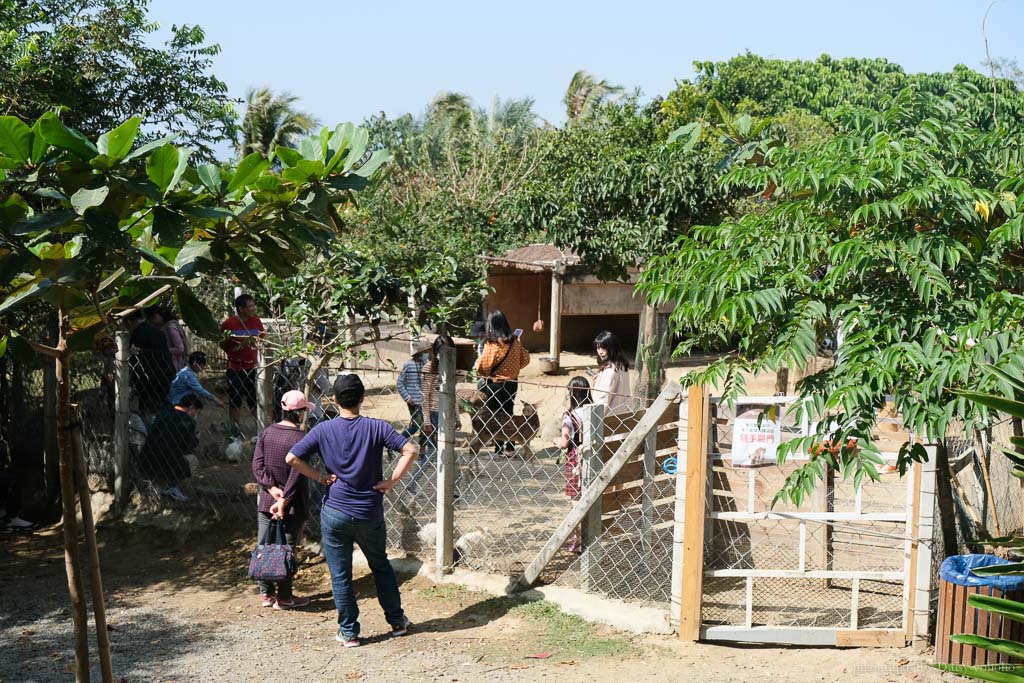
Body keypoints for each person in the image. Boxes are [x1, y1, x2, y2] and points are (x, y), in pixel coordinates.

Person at [277, 373, 418, 648]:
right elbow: (410, 450)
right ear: (363, 398)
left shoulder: (322, 430)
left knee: (341, 574)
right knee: (380, 566)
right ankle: (397, 621)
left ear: (334, 399)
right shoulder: (377, 427)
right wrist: (391, 482)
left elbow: (291, 458)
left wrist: (319, 477)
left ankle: (349, 632)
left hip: (335, 511)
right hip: (369, 511)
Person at [252, 390, 317, 609]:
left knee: (265, 545)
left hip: (266, 502)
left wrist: (271, 489)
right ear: (299, 413)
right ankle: (285, 597)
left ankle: (266, 594)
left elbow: (257, 466)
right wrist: (285, 498)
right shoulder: (302, 438)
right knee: (287, 549)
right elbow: (297, 473)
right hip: (292, 504)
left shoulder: (267, 432)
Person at [474, 310, 530, 454]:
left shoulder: (492, 344)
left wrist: (485, 374)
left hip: (495, 385)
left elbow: (483, 367)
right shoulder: (515, 342)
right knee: (509, 413)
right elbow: (525, 359)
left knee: (496, 416)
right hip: (512, 384)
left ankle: (498, 449)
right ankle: (510, 447)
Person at [138, 394, 203, 502]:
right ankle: (171, 487)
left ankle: (157, 485)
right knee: (192, 460)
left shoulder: (163, 413)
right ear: (191, 408)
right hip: (167, 463)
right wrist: (196, 440)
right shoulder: (189, 421)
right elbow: (186, 447)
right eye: (197, 412)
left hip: (146, 459)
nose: (196, 416)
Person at [553, 376, 592, 554]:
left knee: (576, 503)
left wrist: (555, 440)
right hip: (594, 460)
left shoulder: (569, 417)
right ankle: (589, 537)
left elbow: (564, 443)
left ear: (571, 393)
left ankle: (579, 542)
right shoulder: (595, 410)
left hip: (576, 461)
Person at [415, 334, 454, 495]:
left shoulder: (451, 368)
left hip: (447, 415)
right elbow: (425, 396)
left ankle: (450, 489)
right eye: (441, 351)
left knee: (449, 454)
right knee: (432, 454)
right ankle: (412, 484)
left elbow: (454, 394)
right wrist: (426, 421)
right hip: (434, 415)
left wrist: (456, 415)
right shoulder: (429, 368)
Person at [220, 294, 265, 435]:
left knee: (254, 399)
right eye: (249, 306)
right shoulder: (228, 324)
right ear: (241, 308)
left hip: (252, 368)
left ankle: (260, 428)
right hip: (235, 368)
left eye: (253, 305)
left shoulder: (256, 322)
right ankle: (235, 428)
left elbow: (262, 340)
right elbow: (223, 344)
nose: (253, 308)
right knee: (235, 400)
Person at [130, 305, 174, 419]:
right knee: (163, 410)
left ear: (129, 321)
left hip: (148, 381)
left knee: (149, 413)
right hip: (166, 375)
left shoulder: (137, 334)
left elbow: (135, 362)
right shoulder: (158, 332)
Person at [592, 330, 631, 415]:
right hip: (624, 415)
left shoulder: (610, 370)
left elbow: (603, 400)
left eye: (603, 347)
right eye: (598, 348)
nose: (600, 352)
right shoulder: (622, 366)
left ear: (612, 347)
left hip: (609, 419)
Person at [396, 340, 429, 439]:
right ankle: (397, 440)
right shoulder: (408, 365)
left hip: (425, 401)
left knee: (425, 426)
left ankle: (423, 451)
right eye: (424, 352)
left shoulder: (425, 364)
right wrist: (407, 398)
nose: (426, 354)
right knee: (417, 425)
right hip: (413, 401)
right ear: (419, 352)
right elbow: (399, 383)